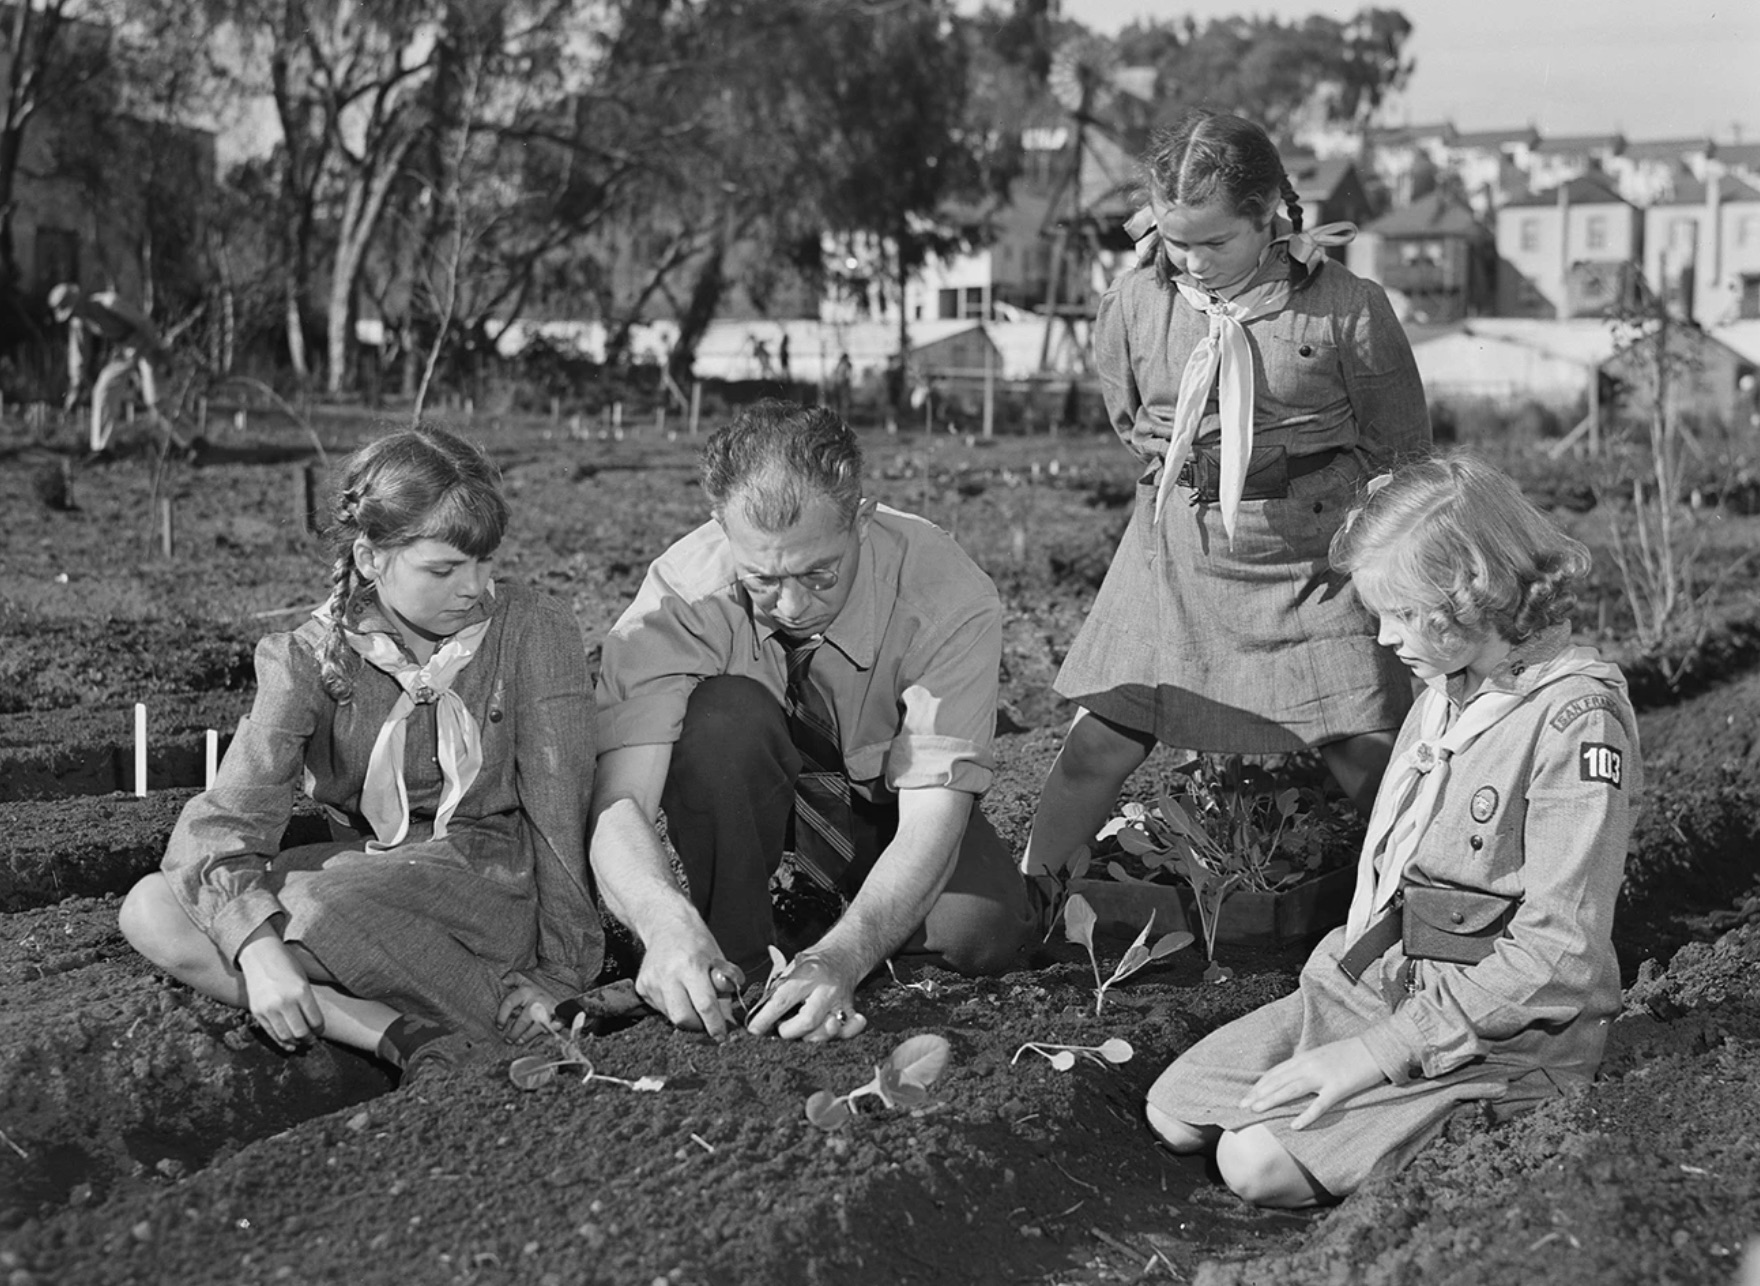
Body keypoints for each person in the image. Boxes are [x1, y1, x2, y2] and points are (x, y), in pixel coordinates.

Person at [1144, 453, 1641, 1207]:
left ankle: (1496, 1117)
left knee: (1252, 1164)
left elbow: (1562, 951)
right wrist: (1361, 1023)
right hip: (1381, 982)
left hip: (1503, 1035)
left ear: (1477, 592)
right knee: (1176, 1114)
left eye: (1403, 614)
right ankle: (1350, 1104)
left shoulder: (1573, 720)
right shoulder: (1446, 690)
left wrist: (1381, 1053)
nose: (1384, 637)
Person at [1021, 108, 1432, 885]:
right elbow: (1131, 419)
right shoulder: (1136, 301)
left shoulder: (1347, 306)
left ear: (1267, 214)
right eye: (1178, 243)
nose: (1196, 264)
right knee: (1097, 746)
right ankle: (1027, 900)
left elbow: (1401, 449)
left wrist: (1337, 521)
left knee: (1373, 756)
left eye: (1217, 243)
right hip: (1175, 558)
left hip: (1314, 566)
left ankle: (1414, 913)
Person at [119, 427, 602, 1081]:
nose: (476, 588)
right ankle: (401, 1035)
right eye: (445, 569)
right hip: (362, 881)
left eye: (486, 563)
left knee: (312, 907)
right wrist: (260, 953)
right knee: (151, 908)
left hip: (487, 895)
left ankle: (490, 1014)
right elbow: (225, 823)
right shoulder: (307, 658)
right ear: (372, 558)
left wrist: (559, 972)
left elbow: (559, 810)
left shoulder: (532, 630)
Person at [590, 398, 1035, 1043]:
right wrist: (662, 923)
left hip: (884, 800)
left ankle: (818, 937)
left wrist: (841, 959)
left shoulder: (945, 595)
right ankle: (735, 954)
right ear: (721, 527)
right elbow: (620, 799)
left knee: (980, 933)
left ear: (859, 518)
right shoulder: (678, 601)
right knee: (721, 720)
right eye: (762, 579)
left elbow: (932, 820)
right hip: (742, 790)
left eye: (819, 573)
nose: (793, 605)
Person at [49, 282, 173, 455]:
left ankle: (192, 441)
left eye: (73, 309)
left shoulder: (109, 302)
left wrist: (161, 354)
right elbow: (78, 354)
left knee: (156, 398)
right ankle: (102, 449)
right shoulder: (79, 322)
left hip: (145, 344)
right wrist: (75, 386)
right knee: (103, 390)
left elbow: (143, 323)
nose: (74, 315)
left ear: (79, 301)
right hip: (124, 350)